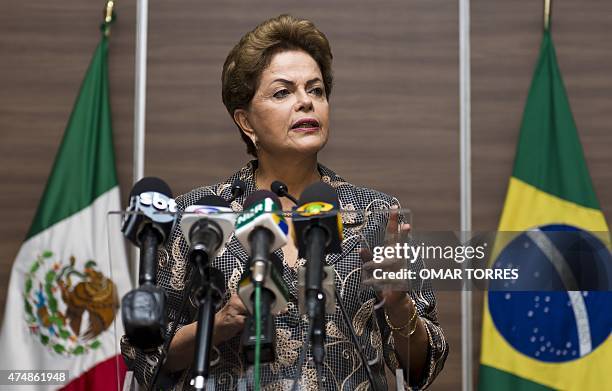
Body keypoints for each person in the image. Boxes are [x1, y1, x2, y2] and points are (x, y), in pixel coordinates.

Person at [121, 14, 448, 390]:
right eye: (283, 92)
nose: (306, 102)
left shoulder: (376, 216)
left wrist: (398, 306)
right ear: (246, 121)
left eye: (316, 90)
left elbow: (426, 366)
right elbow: (145, 357)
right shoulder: (198, 218)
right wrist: (218, 322)